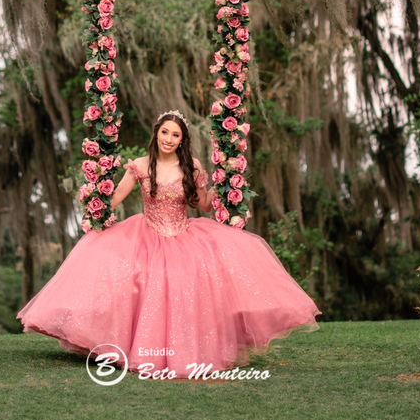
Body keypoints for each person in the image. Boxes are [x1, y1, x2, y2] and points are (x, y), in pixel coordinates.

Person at [17, 110, 320, 376]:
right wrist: (95, 193)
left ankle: (187, 352)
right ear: (157, 133)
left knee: (193, 281)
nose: (169, 139)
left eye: (176, 135)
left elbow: (202, 205)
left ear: (181, 139)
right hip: (146, 234)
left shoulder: (192, 166)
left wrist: (223, 182)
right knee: (132, 277)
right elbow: (116, 198)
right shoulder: (140, 165)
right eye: (165, 132)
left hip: (184, 235)